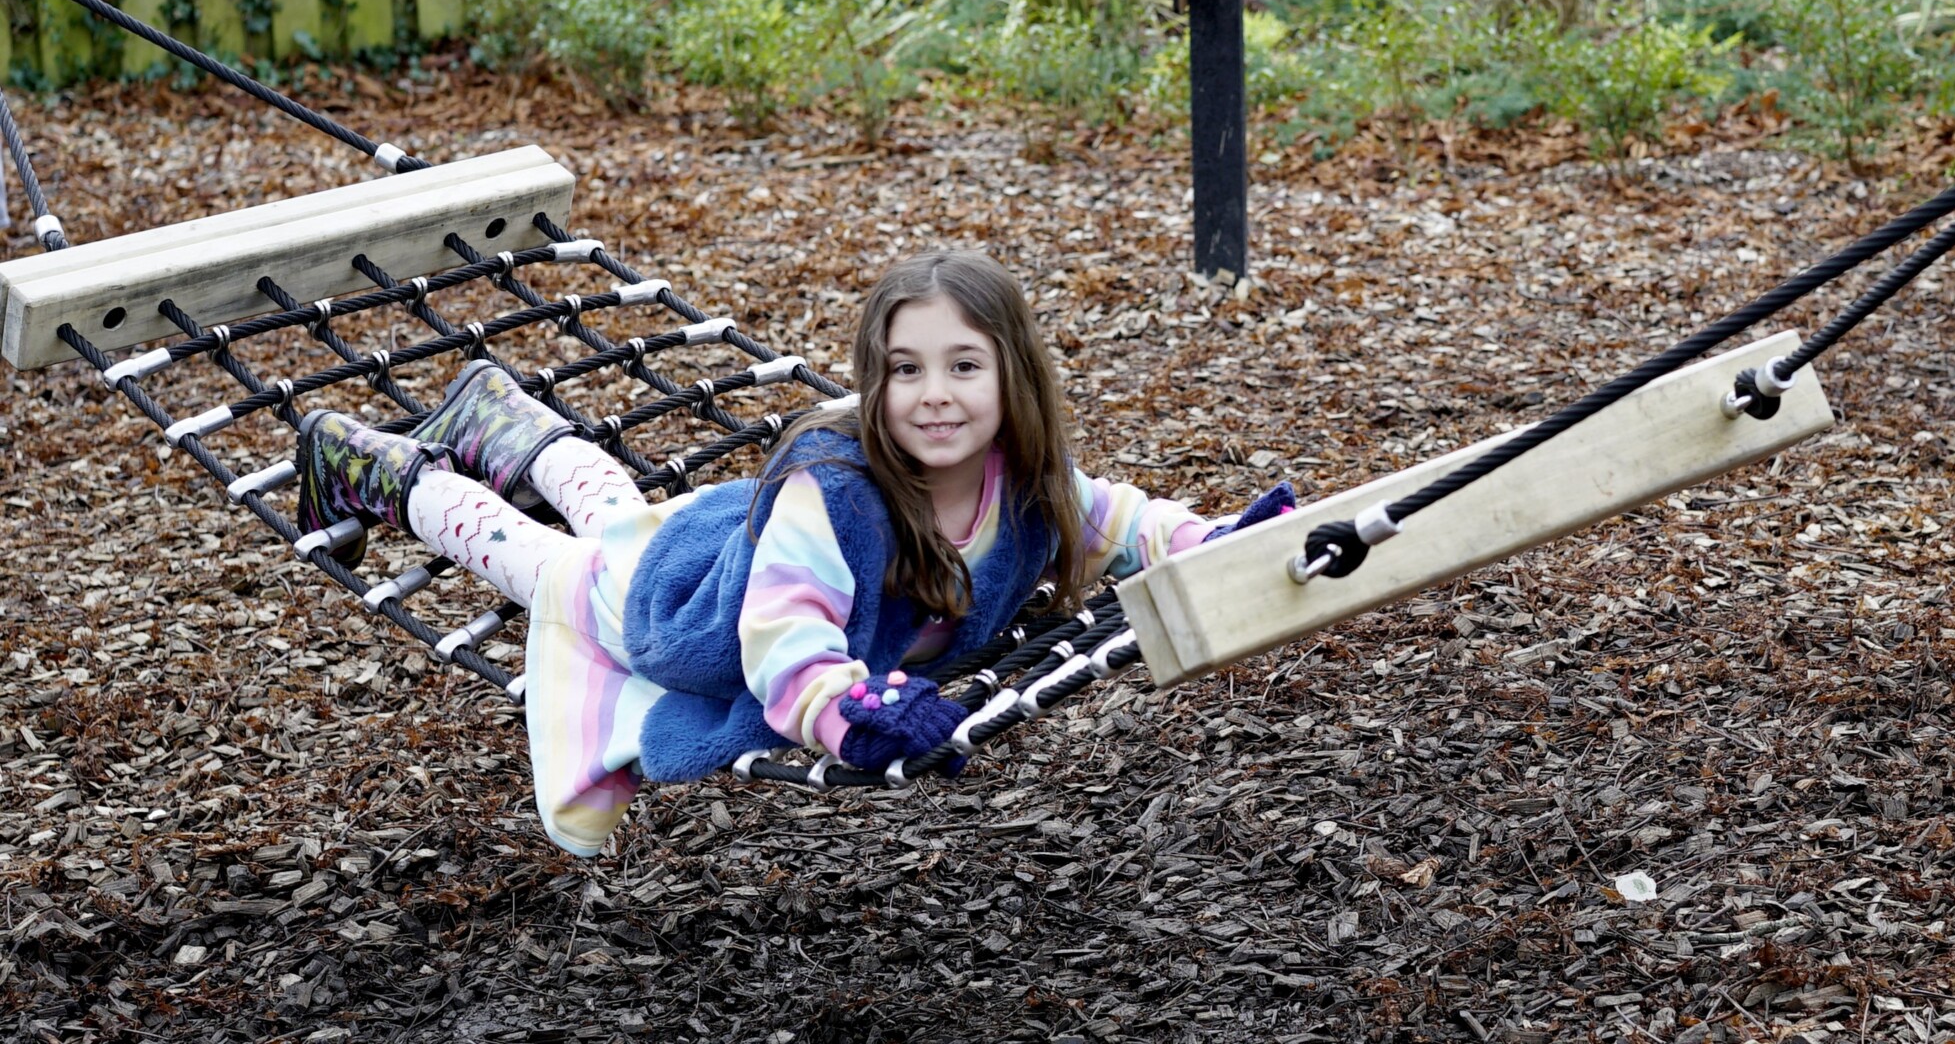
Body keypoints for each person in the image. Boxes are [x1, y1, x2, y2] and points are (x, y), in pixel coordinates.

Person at [291, 250, 1293, 856]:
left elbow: (1128, 525)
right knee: (546, 561)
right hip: (682, 608)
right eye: (906, 371)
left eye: (963, 366)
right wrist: (841, 709)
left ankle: (503, 419)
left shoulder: (1022, 480)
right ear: (873, 384)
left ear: (1012, 379)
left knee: (614, 515)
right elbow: (780, 644)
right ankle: (382, 471)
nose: (934, 394)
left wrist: (1221, 544)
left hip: (722, 543)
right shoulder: (839, 492)